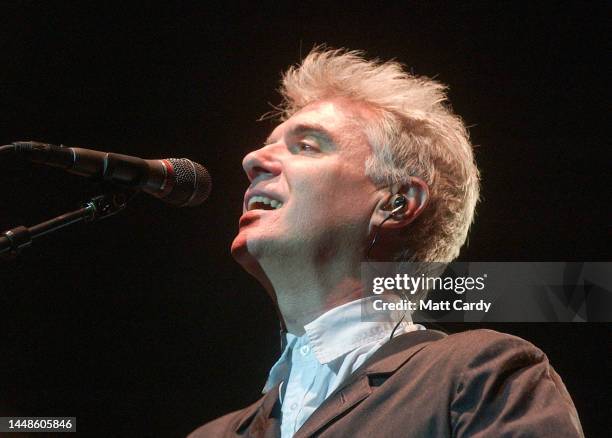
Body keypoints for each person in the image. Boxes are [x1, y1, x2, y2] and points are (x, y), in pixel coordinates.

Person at [189, 48, 583, 437]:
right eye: (268, 143)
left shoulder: (478, 376)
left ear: (397, 203)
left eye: (306, 146)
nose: (252, 159)